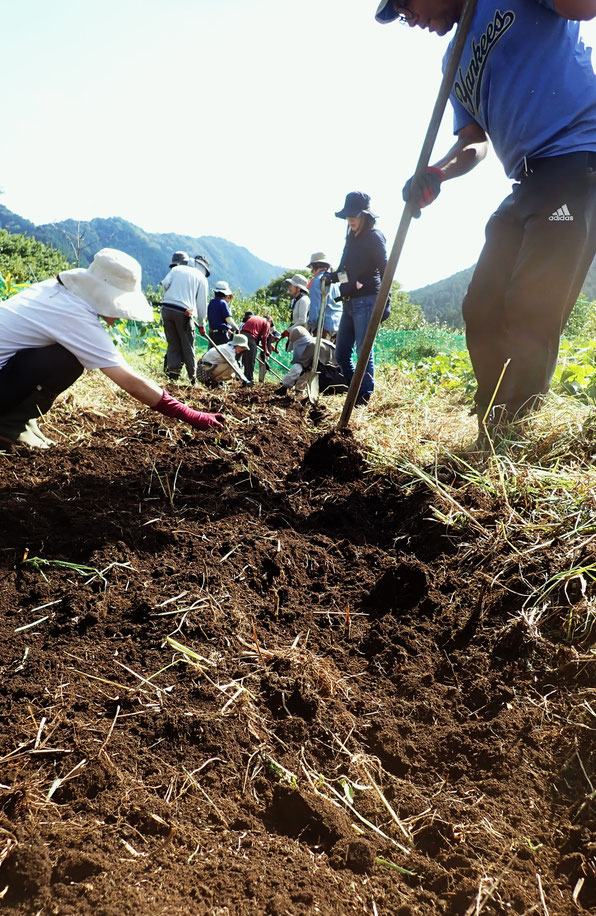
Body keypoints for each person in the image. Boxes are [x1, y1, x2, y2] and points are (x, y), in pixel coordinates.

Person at [375, 0, 596, 441]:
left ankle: (517, 426)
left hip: (577, 160)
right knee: (481, 306)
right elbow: (474, 142)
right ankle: (492, 418)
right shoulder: (453, 60)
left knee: (533, 300)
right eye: (399, 14)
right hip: (527, 182)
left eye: (405, 3)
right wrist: (438, 172)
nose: (409, 17)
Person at [0, 248, 223, 449]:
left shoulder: (53, 290)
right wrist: (193, 415)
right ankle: (8, 425)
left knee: (60, 354)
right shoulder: (75, 315)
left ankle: (19, 422)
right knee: (69, 360)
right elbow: (132, 383)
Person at [332, 191, 388, 406]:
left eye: (354, 215)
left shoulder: (374, 237)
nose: (350, 219)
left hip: (367, 300)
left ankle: (363, 399)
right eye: (348, 216)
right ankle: (354, 391)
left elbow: (386, 269)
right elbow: (345, 270)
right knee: (341, 353)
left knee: (364, 352)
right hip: (348, 300)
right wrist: (331, 277)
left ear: (365, 215)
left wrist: (386, 301)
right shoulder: (351, 238)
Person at [160, 251, 209, 384]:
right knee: (188, 345)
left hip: (166, 309)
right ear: (204, 269)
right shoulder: (201, 278)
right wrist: (202, 324)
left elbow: (165, 284)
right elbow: (201, 304)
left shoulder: (177, 269)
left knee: (173, 343)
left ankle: (173, 374)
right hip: (184, 312)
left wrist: (165, 300)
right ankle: (193, 377)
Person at [274, 327, 343, 395]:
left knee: (307, 367)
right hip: (338, 376)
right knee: (307, 367)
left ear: (298, 342)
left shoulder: (312, 346)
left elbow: (298, 369)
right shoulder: (317, 341)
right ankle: (300, 392)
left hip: (333, 380)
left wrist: (285, 385)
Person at [305, 252, 342, 341]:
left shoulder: (317, 281)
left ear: (315, 266)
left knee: (320, 354)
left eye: (311, 268)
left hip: (323, 327)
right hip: (338, 325)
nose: (311, 271)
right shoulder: (334, 282)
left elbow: (315, 307)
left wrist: (309, 325)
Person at [240, 314, 275, 385]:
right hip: (250, 338)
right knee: (250, 361)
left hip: (242, 336)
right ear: (270, 321)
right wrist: (266, 350)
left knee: (245, 360)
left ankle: (244, 380)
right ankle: (249, 381)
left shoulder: (256, 318)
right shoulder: (266, 323)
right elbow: (264, 339)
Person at [283, 274, 310, 349]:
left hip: (301, 336)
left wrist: (288, 331)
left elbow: (302, 320)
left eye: (292, 285)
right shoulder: (296, 300)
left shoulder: (303, 300)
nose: (290, 287)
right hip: (296, 334)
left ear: (298, 288)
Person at [207, 281, 239, 345]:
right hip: (221, 334)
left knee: (214, 352)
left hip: (213, 333)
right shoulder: (223, 303)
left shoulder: (211, 302)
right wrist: (236, 328)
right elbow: (228, 319)